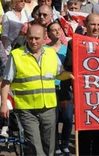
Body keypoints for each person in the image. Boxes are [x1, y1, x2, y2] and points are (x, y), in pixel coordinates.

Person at [0, 24, 74, 156]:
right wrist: (4, 104)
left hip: (49, 107)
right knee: (35, 146)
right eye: (31, 38)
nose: (33, 41)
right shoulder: (16, 55)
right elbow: (6, 82)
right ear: (26, 37)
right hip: (26, 109)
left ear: (44, 38)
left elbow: (59, 74)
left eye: (37, 38)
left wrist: (70, 75)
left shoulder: (51, 54)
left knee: (49, 147)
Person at [63, 13, 99, 155]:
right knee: (84, 132)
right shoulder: (75, 43)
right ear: (85, 25)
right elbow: (68, 67)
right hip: (84, 95)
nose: (95, 28)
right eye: (92, 24)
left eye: (98, 25)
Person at [46, 22, 72, 155]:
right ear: (48, 34)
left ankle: (65, 144)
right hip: (51, 87)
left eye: (58, 30)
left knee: (68, 118)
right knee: (53, 119)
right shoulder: (44, 49)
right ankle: (55, 145)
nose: (57, 32)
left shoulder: (67, 48)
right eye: (53, 30)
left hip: (66, 88)